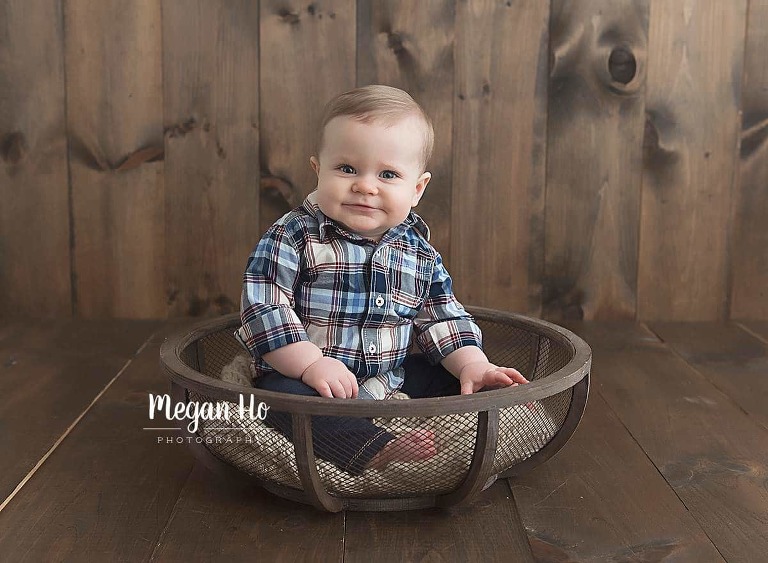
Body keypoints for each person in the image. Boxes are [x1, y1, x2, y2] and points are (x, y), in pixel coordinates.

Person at [236, 85, 528, 475]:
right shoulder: (294, 236)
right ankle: (374, 450)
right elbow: (264, 305)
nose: (365, 186)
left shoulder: (418, 252)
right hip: (304, 376)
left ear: (417, 189)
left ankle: (485, 404)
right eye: (346, 169)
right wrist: (310, 365)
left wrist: (472, 363)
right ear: (317, 170)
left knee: (456, 377)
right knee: (283, 403)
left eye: (388, 174)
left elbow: (441, 317)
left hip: (390, 376)